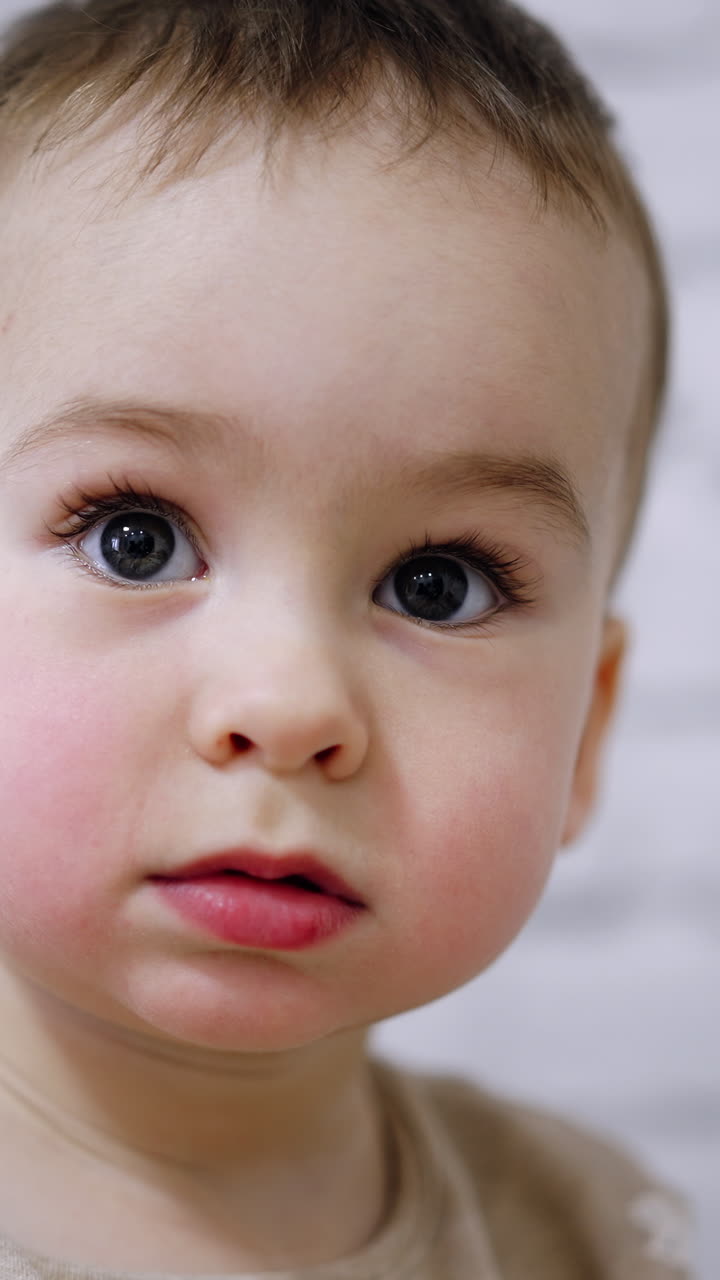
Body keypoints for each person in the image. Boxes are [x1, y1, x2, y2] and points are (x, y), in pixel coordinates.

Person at [0, 1, 694, 1276]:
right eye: (135, 537)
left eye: (438, 584)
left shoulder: (597, 1235)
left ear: (587, 732)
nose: (292, 701)